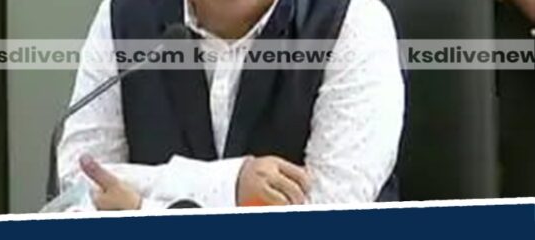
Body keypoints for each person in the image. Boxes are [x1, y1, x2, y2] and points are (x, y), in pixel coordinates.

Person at [58, 0, 405, 210]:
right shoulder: (123, 14)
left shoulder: (355, 22)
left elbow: (327, 220)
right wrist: (228, 185)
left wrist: (143, 209)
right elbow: (78, 185)